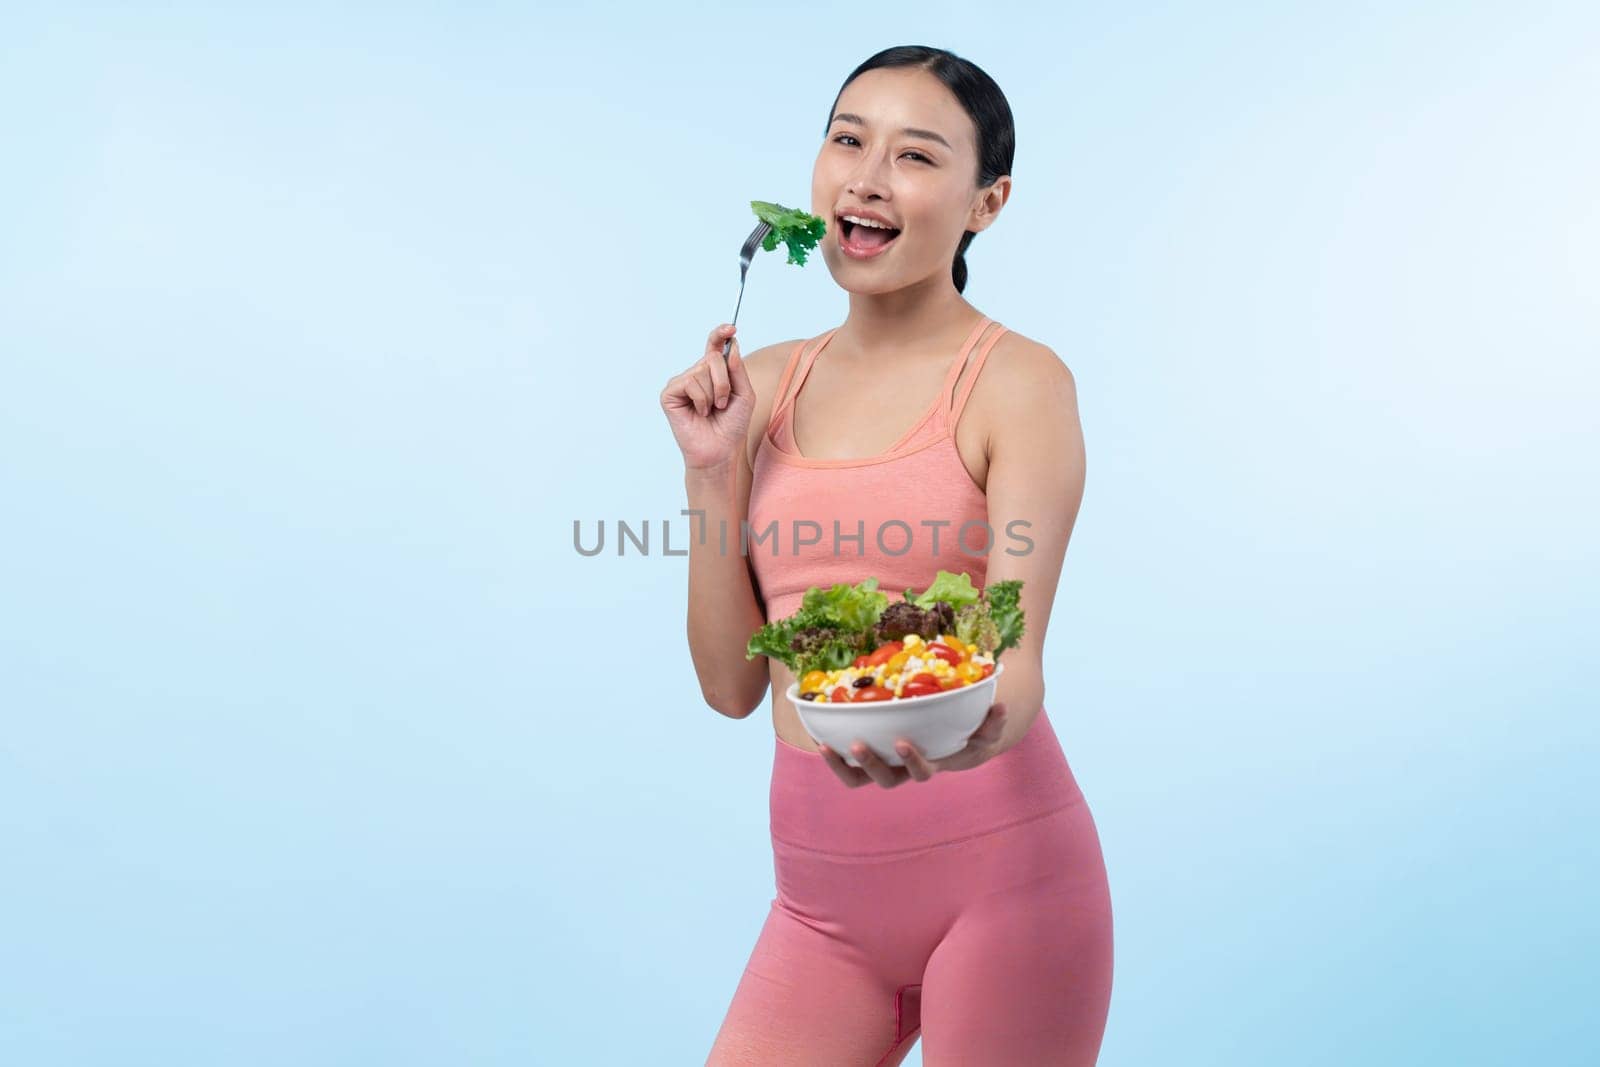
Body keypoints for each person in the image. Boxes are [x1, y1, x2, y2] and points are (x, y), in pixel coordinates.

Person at [660, 45, 1114, 1066]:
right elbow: (730, 685)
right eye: (846, 140)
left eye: (914, 155)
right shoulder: (759, 388)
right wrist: (708, 474)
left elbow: (1017, 671)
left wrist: (938, 739)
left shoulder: (1018, 383)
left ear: (985, 203)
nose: (865, 176)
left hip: (1006, 884)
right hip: (820, 909)